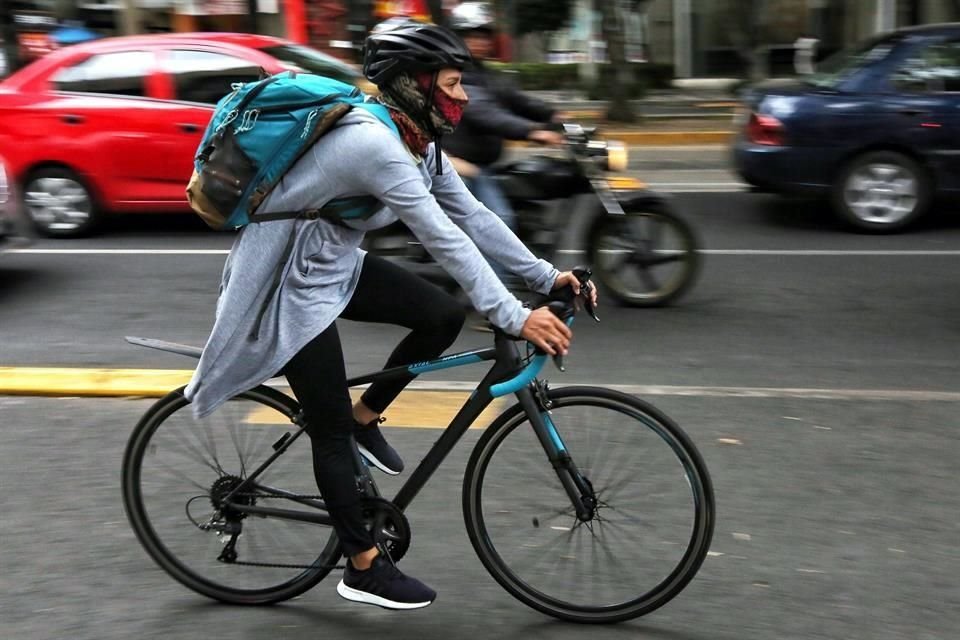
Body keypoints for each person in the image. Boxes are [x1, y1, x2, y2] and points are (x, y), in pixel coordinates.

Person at [184, 22, 596, 611]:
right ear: (413, 85)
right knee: (325, 430)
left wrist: (543, 275)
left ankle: (365, 414)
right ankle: (362, 565)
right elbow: (443, 240)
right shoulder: (373, 144)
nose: (464, 96)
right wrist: (513, 315)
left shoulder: (416, 142)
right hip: (284, 286)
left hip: (332, 265)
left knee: (439, 315)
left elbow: (472, 217)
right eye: (453, 84)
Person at [444, 1, 565, 289]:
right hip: (461, 164)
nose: (480, 41)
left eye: (484, 35)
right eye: (473, 35)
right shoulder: (457, 75)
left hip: (485, 164)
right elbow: (486, 113)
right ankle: (495, 300)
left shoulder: (484, 73)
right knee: (498, 220)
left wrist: (552, 114)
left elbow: (514, 99)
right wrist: (533, 131)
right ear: (458, 39)